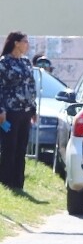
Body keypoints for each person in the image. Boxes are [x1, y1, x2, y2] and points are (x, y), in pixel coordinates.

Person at [0, 32, 37, 189]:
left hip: (25, 111)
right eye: (25, 41)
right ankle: (6, 182)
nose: (27, 44)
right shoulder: (4, 63)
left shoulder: (26, 62)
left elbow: (31, 86)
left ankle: (18, 183)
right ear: (16, 43)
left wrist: (33, 109)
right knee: (10, 147)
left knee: (22, 147)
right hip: (10, 111)